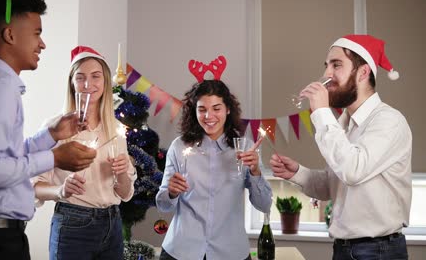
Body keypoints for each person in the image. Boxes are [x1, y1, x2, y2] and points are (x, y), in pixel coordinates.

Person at [0, 0, 97, 259]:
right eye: (37, 34)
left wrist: (51, 136)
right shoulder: (0, 86)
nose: (42, 44)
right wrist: (55, 157)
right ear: (10, 35)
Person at [269, 35, 412, 260]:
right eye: (326, 66)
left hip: (378, 252)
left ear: (363, 72)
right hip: (343, 249)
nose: (327, 74)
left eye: (336, 65)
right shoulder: (343, 124)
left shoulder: (389, 121)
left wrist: (320, 112)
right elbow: (333, 185)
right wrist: (298, 173)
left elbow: (352, 170)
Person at [156, 56, 272, 260]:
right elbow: (163, 205)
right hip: (181, 251)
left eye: (216, 109)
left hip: (230, 252)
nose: (209, 116)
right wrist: (172, 193)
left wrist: (255, 172)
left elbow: (264, 205)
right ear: (194, 111)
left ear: (228, 109)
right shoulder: (179, 147)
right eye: (202, 109)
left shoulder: (244, 147)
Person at [33, 45, 137, 260]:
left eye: (95, 76)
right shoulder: (55, 128)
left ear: (105, 82)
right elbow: (33, 186)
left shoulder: (116, 129)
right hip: (73, 226)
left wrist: (121, 173)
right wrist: (61, 190)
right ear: (71, 83)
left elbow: (124, 193)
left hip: (112, 225)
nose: (88, 84)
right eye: (80, 77)